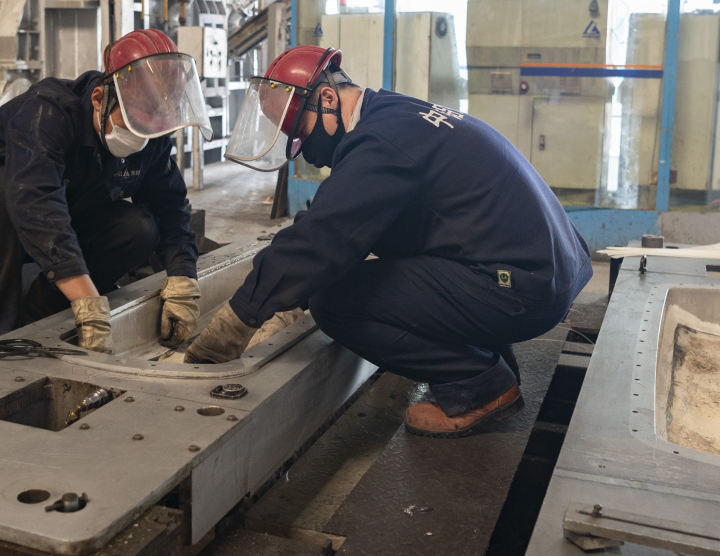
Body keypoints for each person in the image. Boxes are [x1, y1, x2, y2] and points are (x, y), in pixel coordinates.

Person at [186, 45, 592, 438]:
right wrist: (290, 296)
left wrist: (240, 317)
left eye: (300, 132)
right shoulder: (394, 114)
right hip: (543, 267)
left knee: (336, 304)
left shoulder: (382, 143)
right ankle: (491, 366)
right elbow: (355, 223)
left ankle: (477, 385)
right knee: (389, 256)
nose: (303, 150)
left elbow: (321, 237)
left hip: (526, 287)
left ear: (327, 98)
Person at [0, 30, 209, 352]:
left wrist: (184, 278)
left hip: (66, 216)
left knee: (138, 227)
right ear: (100, 99)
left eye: (151, 126)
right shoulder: (48, 112)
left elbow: (170, 207)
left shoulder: (152, 133)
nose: (140, 136)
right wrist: (88, 299)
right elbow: (35, 202)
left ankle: (45, 307)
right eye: (132, 123)